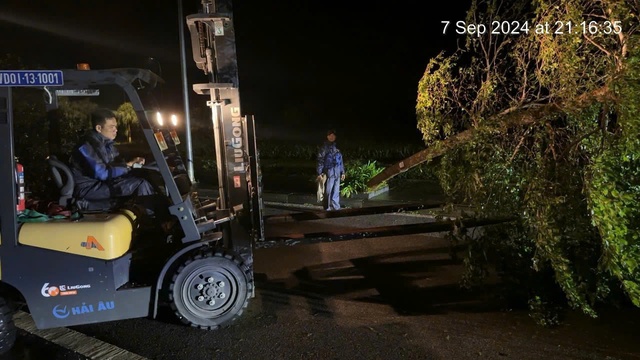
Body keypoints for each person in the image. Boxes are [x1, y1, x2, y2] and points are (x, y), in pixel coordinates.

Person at [69, 108, 154, 207]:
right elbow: (102, 173)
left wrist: (133, 164)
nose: (116, 130)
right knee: (140, 184)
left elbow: (115, 163)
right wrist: (128, 165)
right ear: (99, 128)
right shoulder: (87, 146)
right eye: (111, 127)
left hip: (100, 183)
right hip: (89, 188)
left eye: (116, 127)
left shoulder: (106, 144)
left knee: (143, 175)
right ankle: (149, 219)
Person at [317, 129, 345, 211]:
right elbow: (320, 160)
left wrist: (342, 172)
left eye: (333, 135)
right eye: (330, 135)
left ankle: (336, 207)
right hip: (328, 172)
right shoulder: (324, 148)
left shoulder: (337, 148)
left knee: (336, 191)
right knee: (328, 192)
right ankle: (327, 208)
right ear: (327, 136)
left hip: (337, 172)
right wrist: (319, 173)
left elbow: (340, 160)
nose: (332, 137)